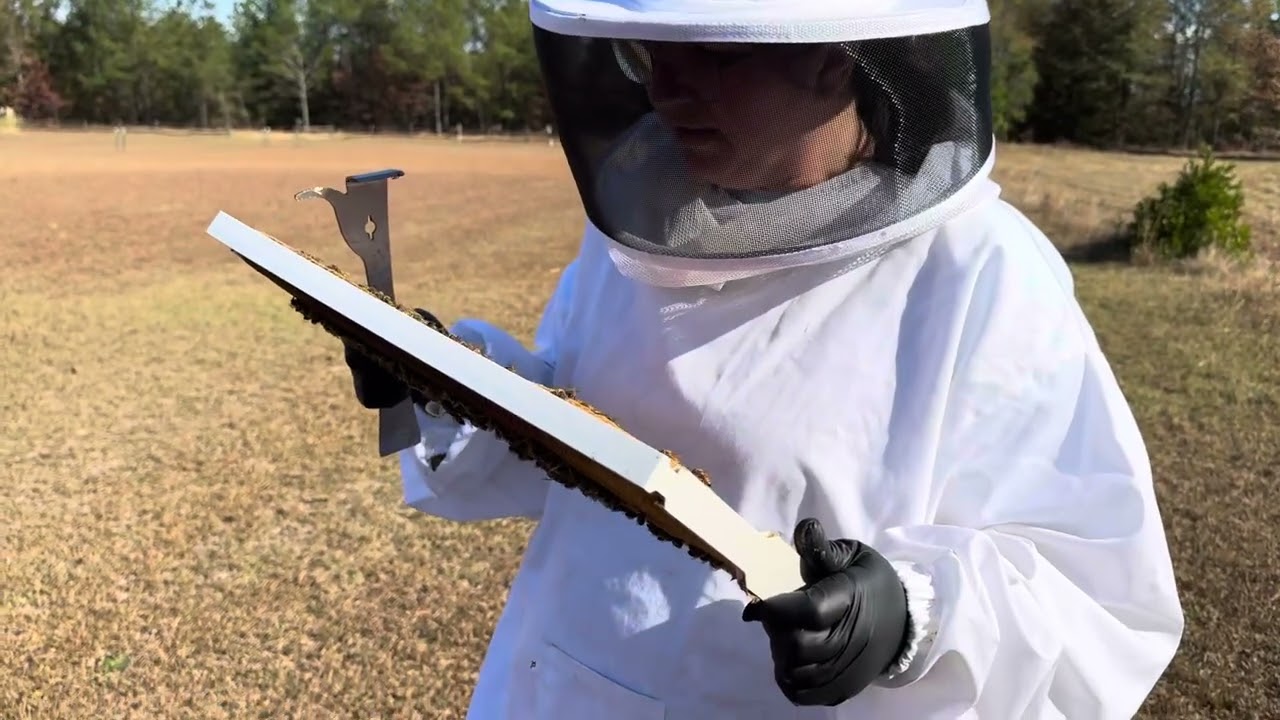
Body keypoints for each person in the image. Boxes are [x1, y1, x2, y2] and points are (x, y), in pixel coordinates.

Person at [341, 0, 1185, 717]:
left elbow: (1098, 587)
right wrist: (454, 388)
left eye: (713, 54)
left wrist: (909, 616)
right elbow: (576, 428)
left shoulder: (982, 273)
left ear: (832, 55)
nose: (666, 88)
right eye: (651, 51)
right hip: (559, 684)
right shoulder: (650, 224)